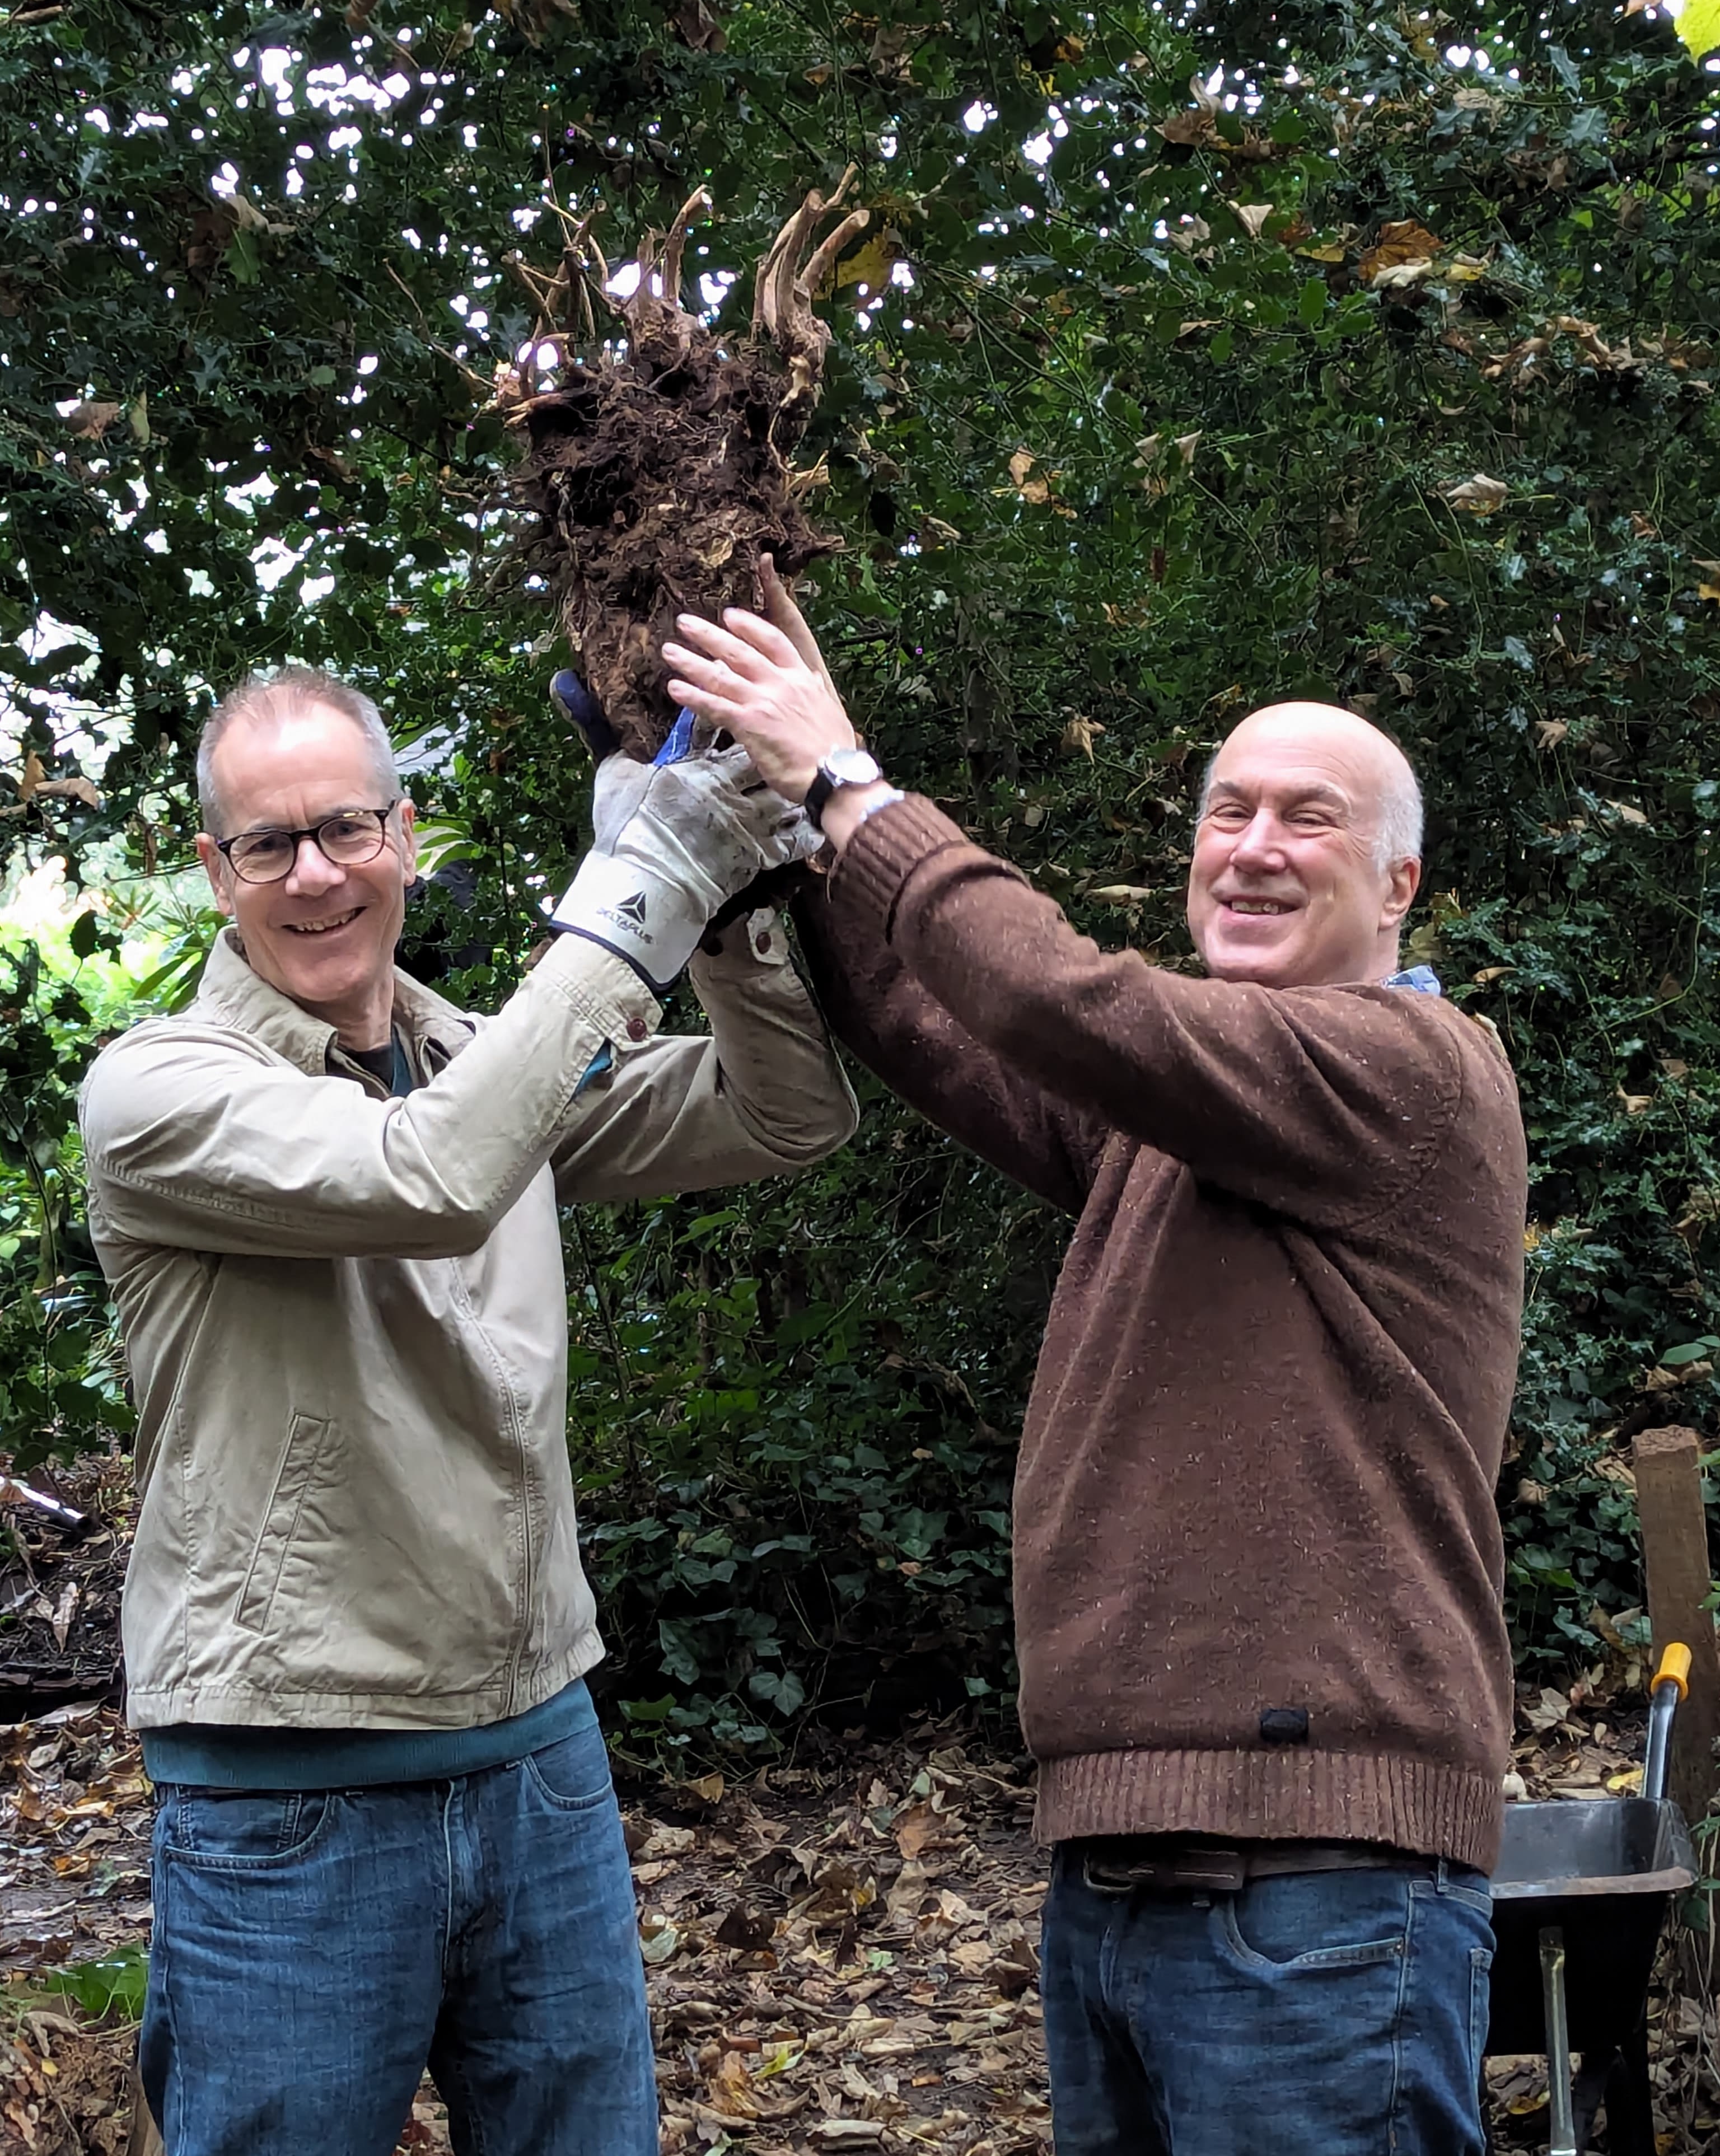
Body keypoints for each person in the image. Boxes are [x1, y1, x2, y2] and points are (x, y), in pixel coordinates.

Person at [661, 570, 1528, 2156]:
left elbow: (1060, 995)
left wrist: (851, 783)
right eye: (1228, 811)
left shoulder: (1411, 1076)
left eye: (1309, 820)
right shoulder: (1179, 1119)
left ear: (1402, 881)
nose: (1255, 847)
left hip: (1320, 1889)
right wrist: (756, 813)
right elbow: (943, 1020)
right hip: (1119, 1868)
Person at [78, 664, 857, 2156]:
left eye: (348, 827)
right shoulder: (158, 1091)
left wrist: (732, 898)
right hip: (290, 1795)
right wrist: (646, 876)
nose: (317, 873)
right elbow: (428, 1179)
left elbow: (786, 1114)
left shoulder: (481, 1062)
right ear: (213, 872)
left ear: (406, 833)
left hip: (535, 1758)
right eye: (268, 844)